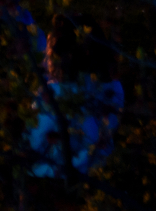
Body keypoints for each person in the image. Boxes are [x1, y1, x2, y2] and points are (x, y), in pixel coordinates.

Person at [26, 14, 123, 178]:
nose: (47, 57)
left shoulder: (52, 94)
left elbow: (32, 152)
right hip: (80, 176)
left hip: (65, 178)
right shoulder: (109, 90)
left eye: (50, 51)